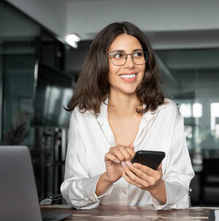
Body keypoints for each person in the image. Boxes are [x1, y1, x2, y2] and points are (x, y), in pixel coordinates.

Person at [60, 22, 194, 210]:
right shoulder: (83, 116)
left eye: (137, 54)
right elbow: (71, 192)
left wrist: (156, 187)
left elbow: (181, 191)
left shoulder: (168, 112)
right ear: (101, 62)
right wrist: (106, 179)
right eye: (118, 55)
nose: (130, 64)